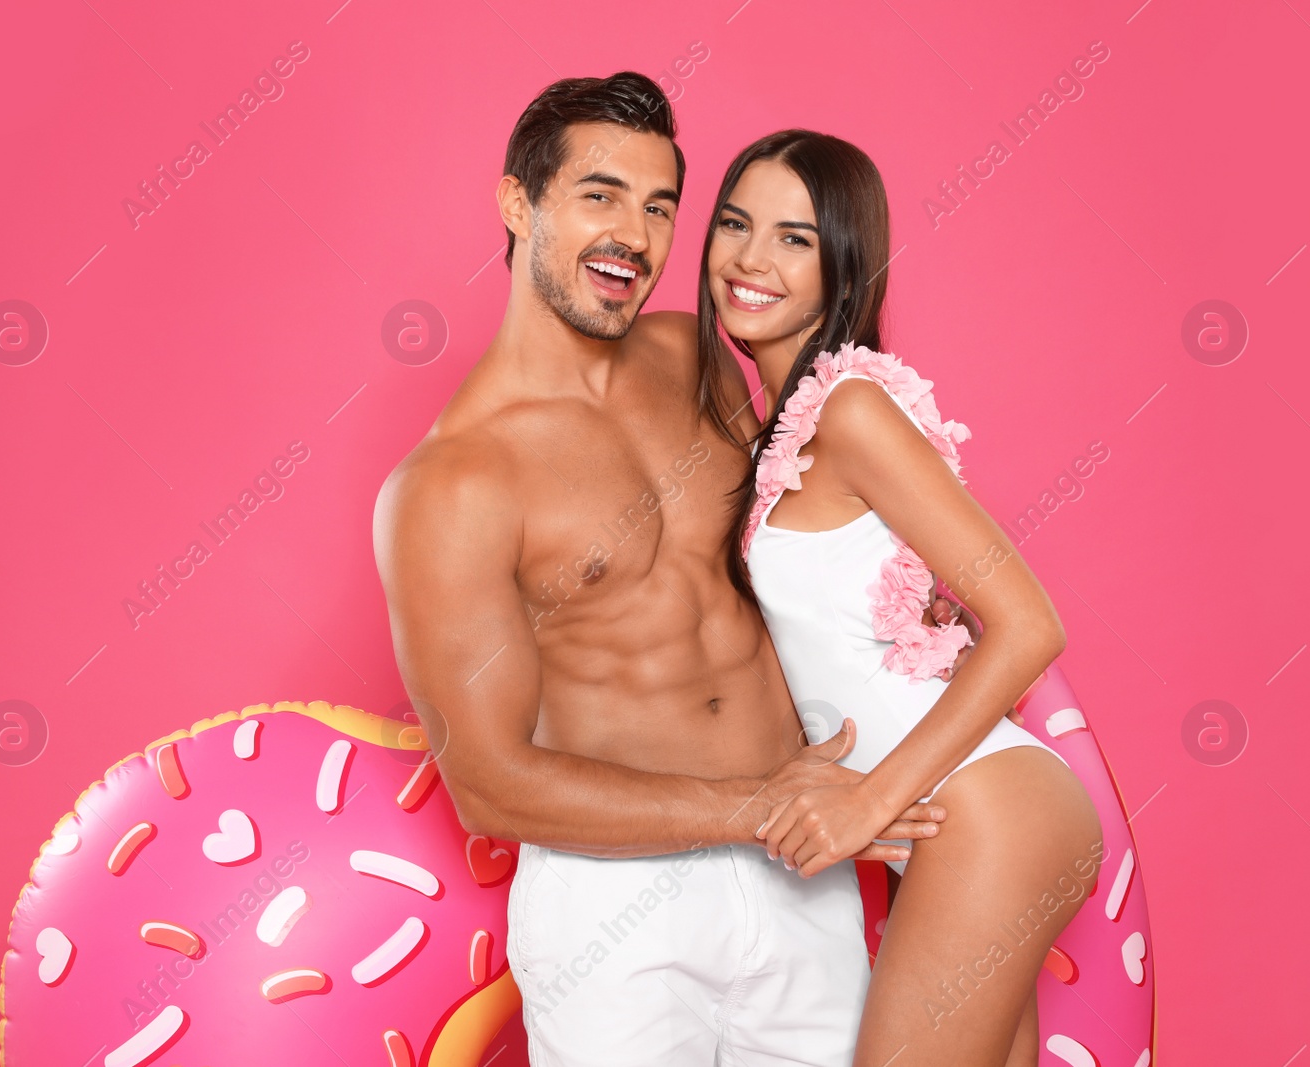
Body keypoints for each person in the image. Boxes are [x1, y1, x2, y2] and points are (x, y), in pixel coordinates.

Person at [373, 73, 992, 1065]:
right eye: (599, 195)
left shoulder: (695, 356)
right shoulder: (451, 484)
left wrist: (919, 653)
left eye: (660, 206)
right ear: (517, 203)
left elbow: (796, 553)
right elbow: (488, 783)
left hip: (803, 873)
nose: (635, 233)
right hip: (616, 907)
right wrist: (762, 810)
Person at [698, 129, 1104, 1065]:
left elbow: (1029, 624)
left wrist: (867, 803)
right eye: (734, 224)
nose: (752, 258)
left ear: (845, 262)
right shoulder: (784, 428)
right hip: (965, 823)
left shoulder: (850, 409)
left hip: (987, 809)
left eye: (795, 238)